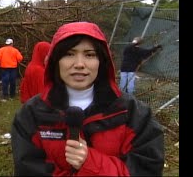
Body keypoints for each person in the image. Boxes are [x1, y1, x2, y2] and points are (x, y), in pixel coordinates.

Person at [11, 22, 164, 176]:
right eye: (69, 54)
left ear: (101, 61)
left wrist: (90, 162)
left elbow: (147, 169)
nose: (79, 64)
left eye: (89, 54)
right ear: (55, 61)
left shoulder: (133, 113)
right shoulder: (31, 114)